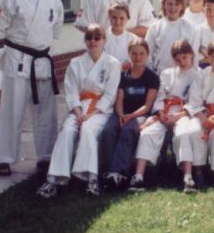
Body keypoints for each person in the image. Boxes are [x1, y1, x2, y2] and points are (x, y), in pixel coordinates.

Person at [0, 0, 64, 177]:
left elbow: (56, 28)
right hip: (18, 60)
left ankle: (45, 157)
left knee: (46, 114)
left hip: (42, 61)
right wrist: (16, 47)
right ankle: (4, 159)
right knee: (12, 112)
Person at [39, 24, 121, 198]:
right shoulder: (75, 63)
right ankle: (54, 179)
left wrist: (90, 115)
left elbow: (110, 95)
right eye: (89, 38)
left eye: (97, 38)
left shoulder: (113, 64)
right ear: (85, 41)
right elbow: (71, 92)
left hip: (100, 111)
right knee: (67, 130)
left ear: (104, 40)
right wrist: (78, 113)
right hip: (79, 108)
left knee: (88, 129)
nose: (93, 41)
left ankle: (91, 178)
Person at [130, 39, 198, 192]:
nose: (182, 62)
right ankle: (138, 176)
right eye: (178, 59)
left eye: (185, 57)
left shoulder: (196, 75)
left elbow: (194, 102)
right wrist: (160, 113)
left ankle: (188, 177)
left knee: (183, 133)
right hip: (164, 113)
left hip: (182, 113)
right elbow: (160, 97)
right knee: (148, 133)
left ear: (191, 55)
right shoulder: (167, 73)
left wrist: (177, 116)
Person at [100, 39, 160, 187]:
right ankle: (106, 171)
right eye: (134, 53)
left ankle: (119, 173)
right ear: (129, 54)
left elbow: (148, 105)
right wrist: (121, 115)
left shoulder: (152, 77)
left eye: (141, 54)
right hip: (121, 113)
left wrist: (131, 116)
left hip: (140, 116)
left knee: (128, 130)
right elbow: (119, 100)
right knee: (108, 130)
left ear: (147, 55)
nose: (137, 57)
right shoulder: (122, 76)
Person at [177, 40, 214, 190]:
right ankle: (198, 170)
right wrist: (203, 119)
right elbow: (194, 100)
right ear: (208, 58)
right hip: (202, 113)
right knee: (195, 131)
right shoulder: (202, 74)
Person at [145, 0, 198, 73]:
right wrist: (152, 73)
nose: (173, 8)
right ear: (164, 5)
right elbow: (147, 53)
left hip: (182, 74)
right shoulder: (155, 27)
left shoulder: (189, 29)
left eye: (177, 4)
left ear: (182, 6)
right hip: (159, 74)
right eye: (170, 4)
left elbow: (194, 56)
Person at [104, 1, 140, 68]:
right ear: (109, 17)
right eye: (114, 18)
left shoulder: (134, 40)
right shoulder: (100, 37)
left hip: (126, 73)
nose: (118, 21)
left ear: (127, 19)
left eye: (122, 18)